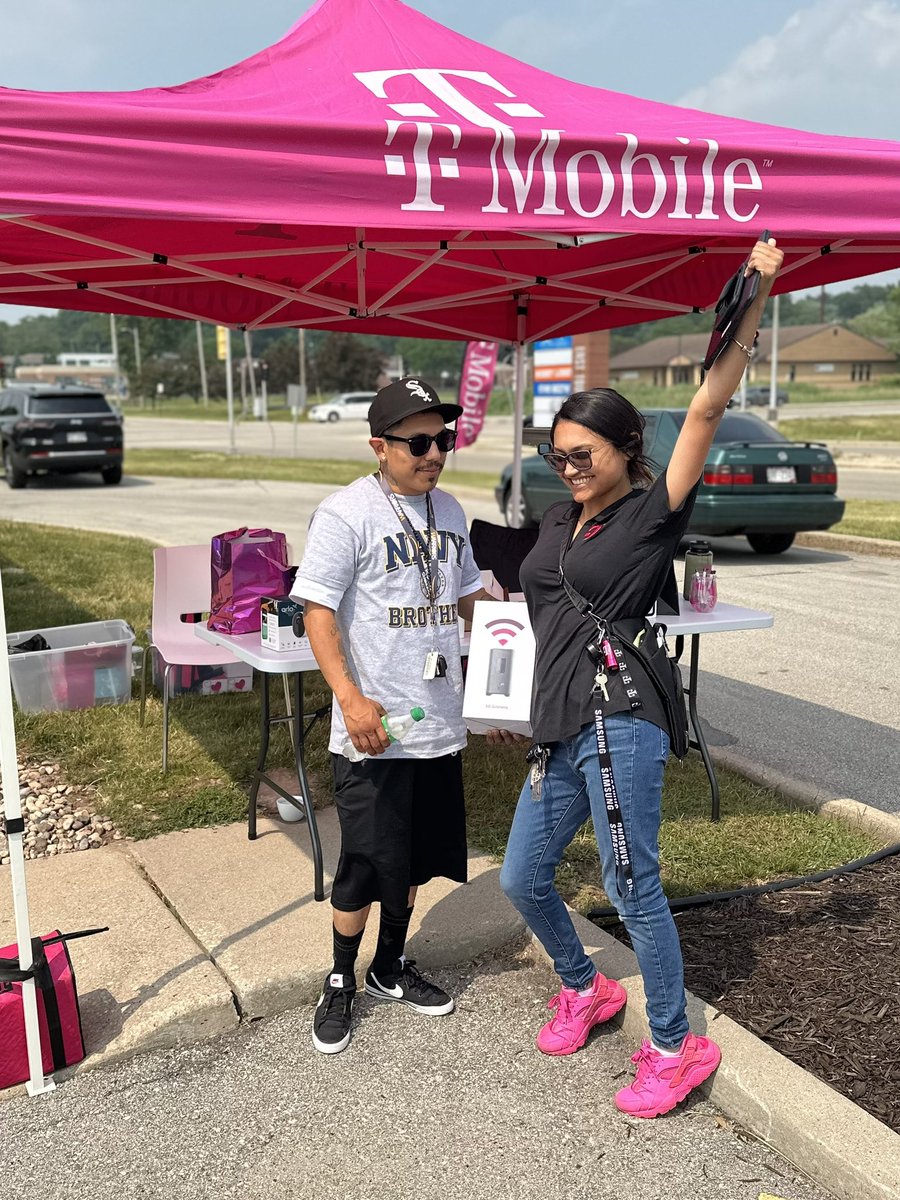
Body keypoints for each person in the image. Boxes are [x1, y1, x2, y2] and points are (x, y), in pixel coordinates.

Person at [499, 238, 784, 1116]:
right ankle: (588, 986)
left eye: (585, 453)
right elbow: (521, 584)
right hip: (557, 724)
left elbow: (703, 411)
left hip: (619, 718)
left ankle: (675, 1044)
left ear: (626, 449)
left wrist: (757, 295)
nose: (571, 467)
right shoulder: (557, 519)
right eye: (559, 455)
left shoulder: (651, 518)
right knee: (522, 876)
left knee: (632, 885)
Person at [292, 376, 497, 1055]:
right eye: (418, 442)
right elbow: (317, 611)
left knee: (411, 861)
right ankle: (339, 978)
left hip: (437, 722)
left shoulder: (453, 512)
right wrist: (349, 699)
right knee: (362, 865)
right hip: (375, 726)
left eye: (442, 439)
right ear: (380, 446)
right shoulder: (346, 513)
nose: (434, 452)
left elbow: (471, 602)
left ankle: (388, 967)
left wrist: (509, 672)